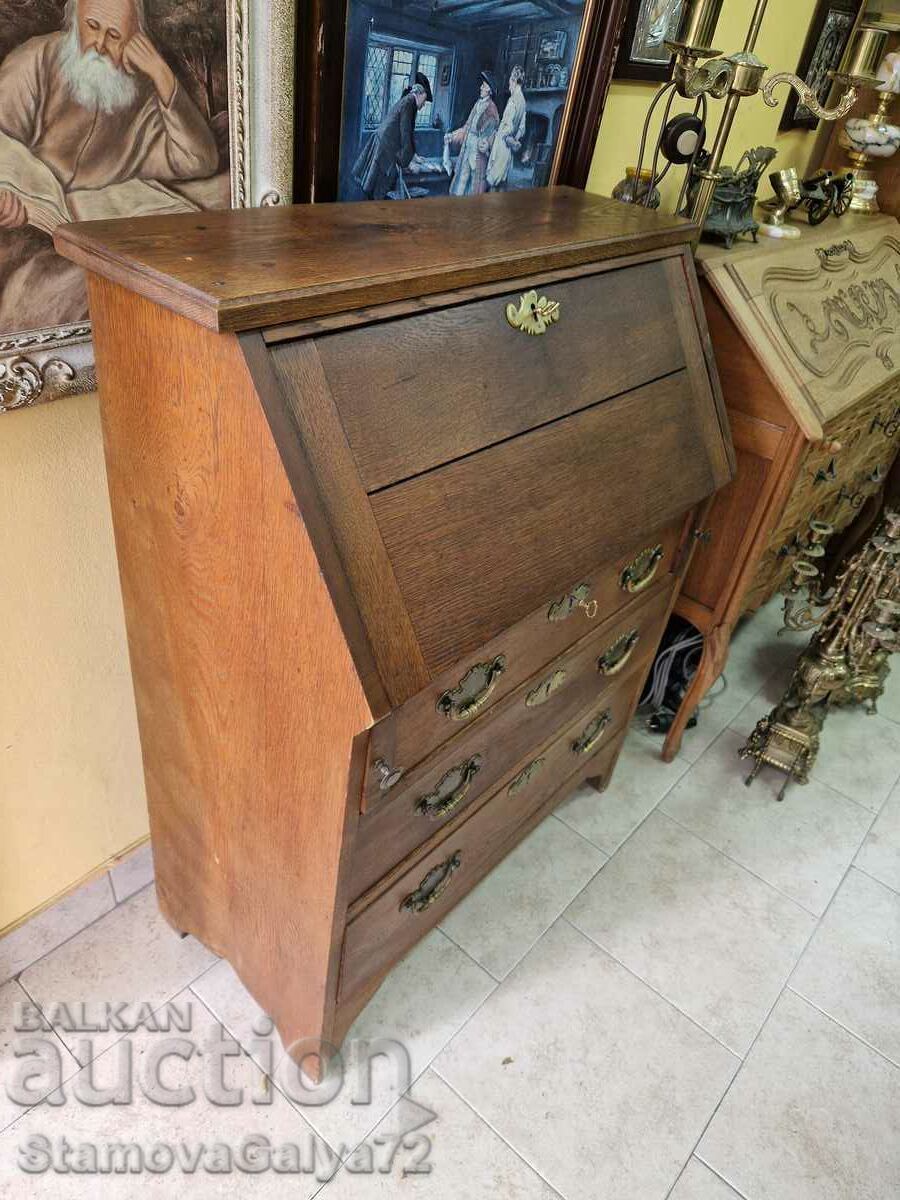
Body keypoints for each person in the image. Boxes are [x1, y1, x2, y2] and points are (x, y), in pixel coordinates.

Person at [0, 0, 219, 232]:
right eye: (92, 26)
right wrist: (6, 194)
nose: (100, 44)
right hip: (30, 225)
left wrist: (162, 75)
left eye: (114, 35)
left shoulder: (141, 93)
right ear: (74, 23)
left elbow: (199, 161)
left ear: (134, 41)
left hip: (99, 229)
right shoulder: (35, 59)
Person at [353, 72, 433, 200]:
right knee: (378, 189)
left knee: (375, 187)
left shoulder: (409, 101)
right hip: (385, 147)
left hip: (385, 144)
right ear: (419, 94)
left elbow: (408, 133)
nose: (424, 105)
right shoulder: (409, 103)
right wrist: (407, 161)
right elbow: (405, 133)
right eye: (425, 99)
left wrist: (414, 156)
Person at [446, 71, 499, 197]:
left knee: (475, 183)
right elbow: (467, 127)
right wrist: (453, 135)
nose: (481, 87)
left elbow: (493, 135)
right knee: (462, 177)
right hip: (468, 146)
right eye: (482, 85)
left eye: (484, 86)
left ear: (490, 91)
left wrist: (487, 144)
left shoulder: (492, 110)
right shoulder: (477, 104)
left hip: (479, 152)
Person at [486, 66, 526, 191]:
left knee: (493, 181)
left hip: (503, 144)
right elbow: (522, 128)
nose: (509, 85)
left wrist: (500, 133)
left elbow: (507, 126)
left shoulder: (513, 100)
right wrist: (515, 139)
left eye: (510, 81)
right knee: (502, 182)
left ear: (513, 80)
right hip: (509, 147)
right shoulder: (523, 101)